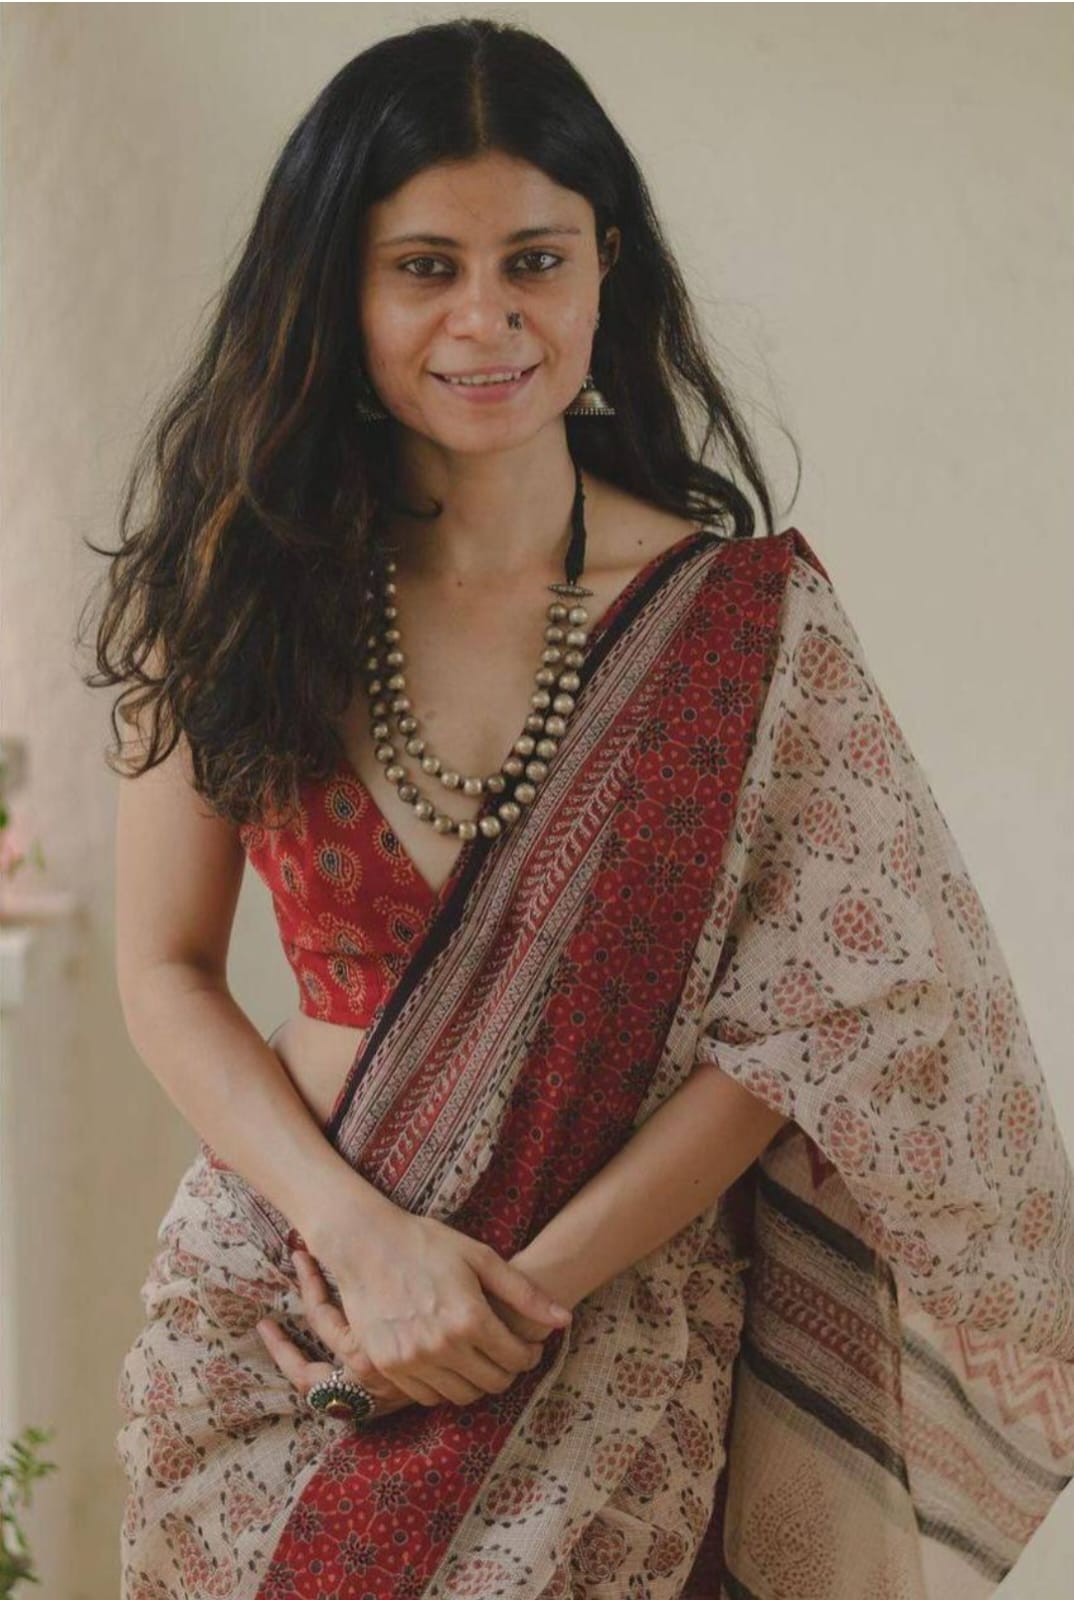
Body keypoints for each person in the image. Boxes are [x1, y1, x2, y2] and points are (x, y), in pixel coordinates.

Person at [84, 18, 1074, 1600]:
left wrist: (521, 1297)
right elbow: (165, 971)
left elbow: (811, 1022)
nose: (487, 319)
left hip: (603, 1330)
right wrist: (369, 1247)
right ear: (336, 289)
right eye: (423, 267)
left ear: (605, 269)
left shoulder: (741, 624)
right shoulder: (236, 594)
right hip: (293, 1312)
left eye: (533, 260)